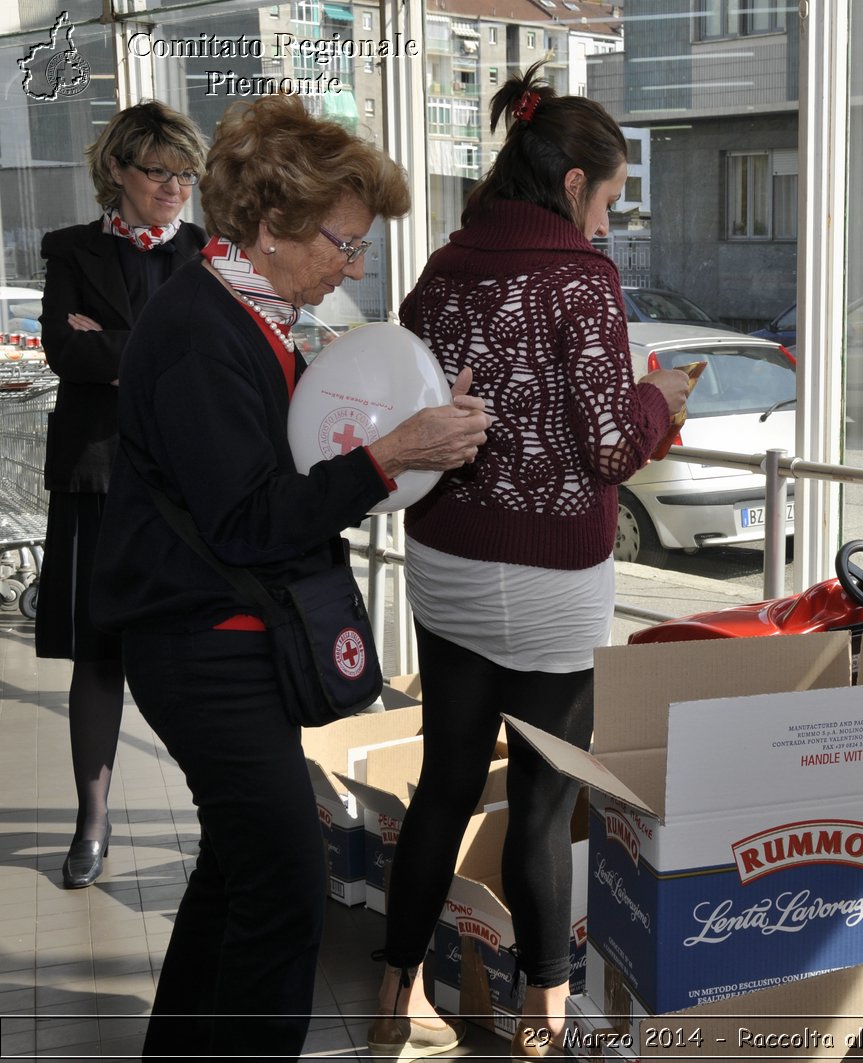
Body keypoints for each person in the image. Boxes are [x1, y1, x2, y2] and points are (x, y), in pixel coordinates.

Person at [90, 95, 492, 1061]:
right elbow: (249, 518)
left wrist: (410, 432)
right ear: (268, 227)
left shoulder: (240, 309)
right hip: (202, 643)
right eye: (341, 245)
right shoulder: (201, 330)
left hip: (218, 633)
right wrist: (393, 452)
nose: (351, 268)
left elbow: (266, 481)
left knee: (238, 873)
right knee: (280, 891)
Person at [370, 64, 690, 1060]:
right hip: (550, 583)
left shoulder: (444, 266)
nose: (607, 222)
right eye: (608, 199)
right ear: (570, 184)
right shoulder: (580, 278)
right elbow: (604, 445)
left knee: (446, 783)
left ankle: (391, 997)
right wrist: (663, 400)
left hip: (448, 565)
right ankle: (539, 1020)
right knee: (546, 808)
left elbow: (408, 399)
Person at [36, 101, 208, 890]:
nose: (175, 187)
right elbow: (64, 350)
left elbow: (207, 358)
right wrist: (149, 352)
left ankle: (218, 811)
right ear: (118, 172)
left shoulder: (208, 254)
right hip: (97, 473)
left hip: (185, 481)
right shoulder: (70, 247)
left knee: (194, 653)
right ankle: (92, 819)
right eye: (158, 172)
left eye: (184, 174)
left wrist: (113, 347)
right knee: (99, 656)